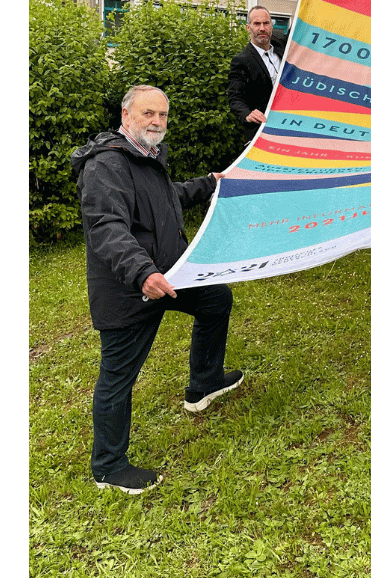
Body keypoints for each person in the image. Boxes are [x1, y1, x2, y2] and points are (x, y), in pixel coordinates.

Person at [70, 85, 243, 494]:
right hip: (129, 287)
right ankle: (109, 467)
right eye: (149, 114)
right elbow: (106, 227)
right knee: (117, 377)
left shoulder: (147, 156)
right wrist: (141, 273)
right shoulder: (106, 165)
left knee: (216, 299)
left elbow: (167, 199)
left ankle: (204, 383)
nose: (157, 122)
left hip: (169, 275)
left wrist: (210, 183)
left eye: (163, 115)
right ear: (126, 115)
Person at [227, 5, 287, 138]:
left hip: (289, 125)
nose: (262, 28)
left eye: (266, 23)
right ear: (248, 28)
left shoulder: (281, 47)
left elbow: (298, 29)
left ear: (271, 25)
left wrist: (305, 1)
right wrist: (247, 114)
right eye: (257, 24)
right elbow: (235, 98)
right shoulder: (241, 61)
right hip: (263, 131)